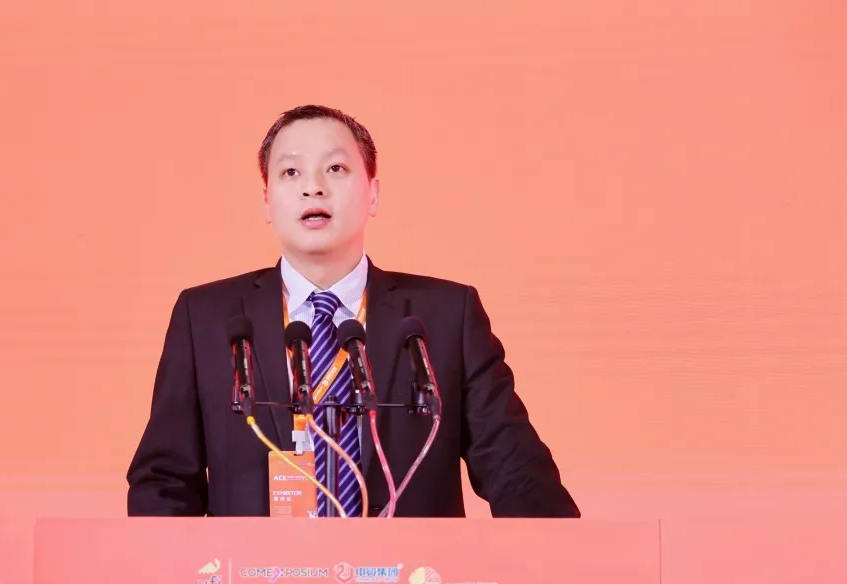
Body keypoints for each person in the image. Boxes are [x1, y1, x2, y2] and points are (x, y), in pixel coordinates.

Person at [126, 104, 580, 518]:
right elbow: (164, 482)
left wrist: (558, 561)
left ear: (373, 194)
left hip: (410, 579)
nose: (313, 187)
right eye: (290, 172)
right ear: (267, 201)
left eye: (336, 168)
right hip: (258, 581)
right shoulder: (206, 318)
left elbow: (518, 473)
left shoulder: (445, 318)